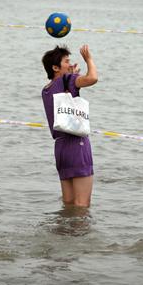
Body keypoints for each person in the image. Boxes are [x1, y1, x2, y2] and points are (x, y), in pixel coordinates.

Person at [41, 44, 98, 208]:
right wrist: (89, 60)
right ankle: (80, 234)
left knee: (68, 204)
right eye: (66, 61)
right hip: (76, 145)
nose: (70, 64)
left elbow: (63, 89)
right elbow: (93, 78)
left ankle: (64, 232)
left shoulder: (46, 89)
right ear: (55, 67)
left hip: (60, 148)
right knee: (82, 204)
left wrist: (70, 75)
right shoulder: (69, 81)